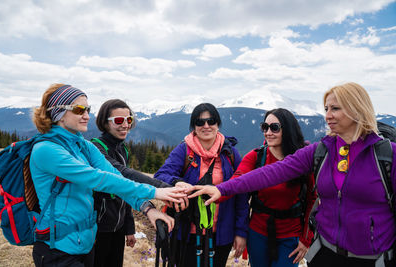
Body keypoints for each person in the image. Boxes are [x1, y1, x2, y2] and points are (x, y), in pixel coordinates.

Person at [188, 82, 396, 267]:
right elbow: (271, 173)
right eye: (326, 109)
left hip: (373, 258)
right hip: (326, 254)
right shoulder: (320, 151)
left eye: (335, 108)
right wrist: (221, 188)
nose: (327, 115)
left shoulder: (388, 156)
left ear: (356, 109)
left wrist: (304, 238)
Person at [30, 84, 186, 267]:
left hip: (86, 246)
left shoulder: (83, 146)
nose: (87, 115)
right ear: (58, 113)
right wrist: (155, 191)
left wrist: (148, 209)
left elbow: (116, 178)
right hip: (57, 250)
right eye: (79, 109)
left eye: (87, 109)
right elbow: (98, 179)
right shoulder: (46, 150)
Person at [154, 103, 249, 267]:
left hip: (221, 234)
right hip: (186, 233)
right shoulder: (184, 150)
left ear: (217, 124)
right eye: (200, 122)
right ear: (194, 126)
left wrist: (240, 231)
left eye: (211, 121)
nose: (206, 126)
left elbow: (240, 191)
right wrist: (177, 182)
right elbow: (161, 175)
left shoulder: (230, 153)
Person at [91, 99, 174, 267]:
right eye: (119, 121)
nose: (125, 125)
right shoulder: (96, 148)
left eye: (128, 120)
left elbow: (127, 191)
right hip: (98, 227)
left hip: (118, 227)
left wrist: (129, 228)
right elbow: (122, 174)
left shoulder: (123, 149)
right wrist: (161, 188)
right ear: (105, 123)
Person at [229, 108, 316, 266]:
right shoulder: (256, 157)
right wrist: (213, 191)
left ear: (288, 130)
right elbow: (238, 184)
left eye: (274, 128)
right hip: (258, 233)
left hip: (291, 236)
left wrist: (306, 239)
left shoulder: (303, 160)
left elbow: (313, 199)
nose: (268, 132)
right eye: (264, 127)